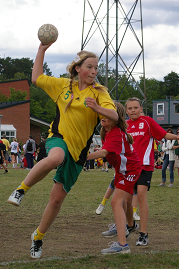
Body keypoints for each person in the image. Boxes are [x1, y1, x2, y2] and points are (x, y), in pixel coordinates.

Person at [8, 43, 118, 259]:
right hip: (58, 138)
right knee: (56, 156)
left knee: (57, 200)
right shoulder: (63, 86)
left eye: (96, 68)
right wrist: (42, 49)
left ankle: (38, 237)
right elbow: (37, 77)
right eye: (90, 67)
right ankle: (21, 190)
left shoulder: (100, 92)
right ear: (78, 68)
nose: (94, 72)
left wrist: (97, 108)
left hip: (78, 155)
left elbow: (114, 116)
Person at [102, 97, 178, 246]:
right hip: (128, 168)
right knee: (127, 200)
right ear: (126, 111)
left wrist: (176, 137)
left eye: (135, 107)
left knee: (141, 197)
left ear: (141, 108)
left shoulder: (148, 122)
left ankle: (144, 233)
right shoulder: (125, 125)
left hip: (144, 166)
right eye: (129, 108)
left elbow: (163, 135)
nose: (133, 111)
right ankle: (130, 225)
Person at [87, 101, 142, 254]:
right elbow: (108, 150)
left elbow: (104, 153)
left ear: (116, 117)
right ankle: (126, 227)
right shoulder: (106, 130)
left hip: (129, 170)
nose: (103, 115)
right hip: (122, 170)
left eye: (107, 113)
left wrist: (81, 157)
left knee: (115, 202)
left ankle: (123, 246)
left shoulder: (116, 133)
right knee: (124, 201)